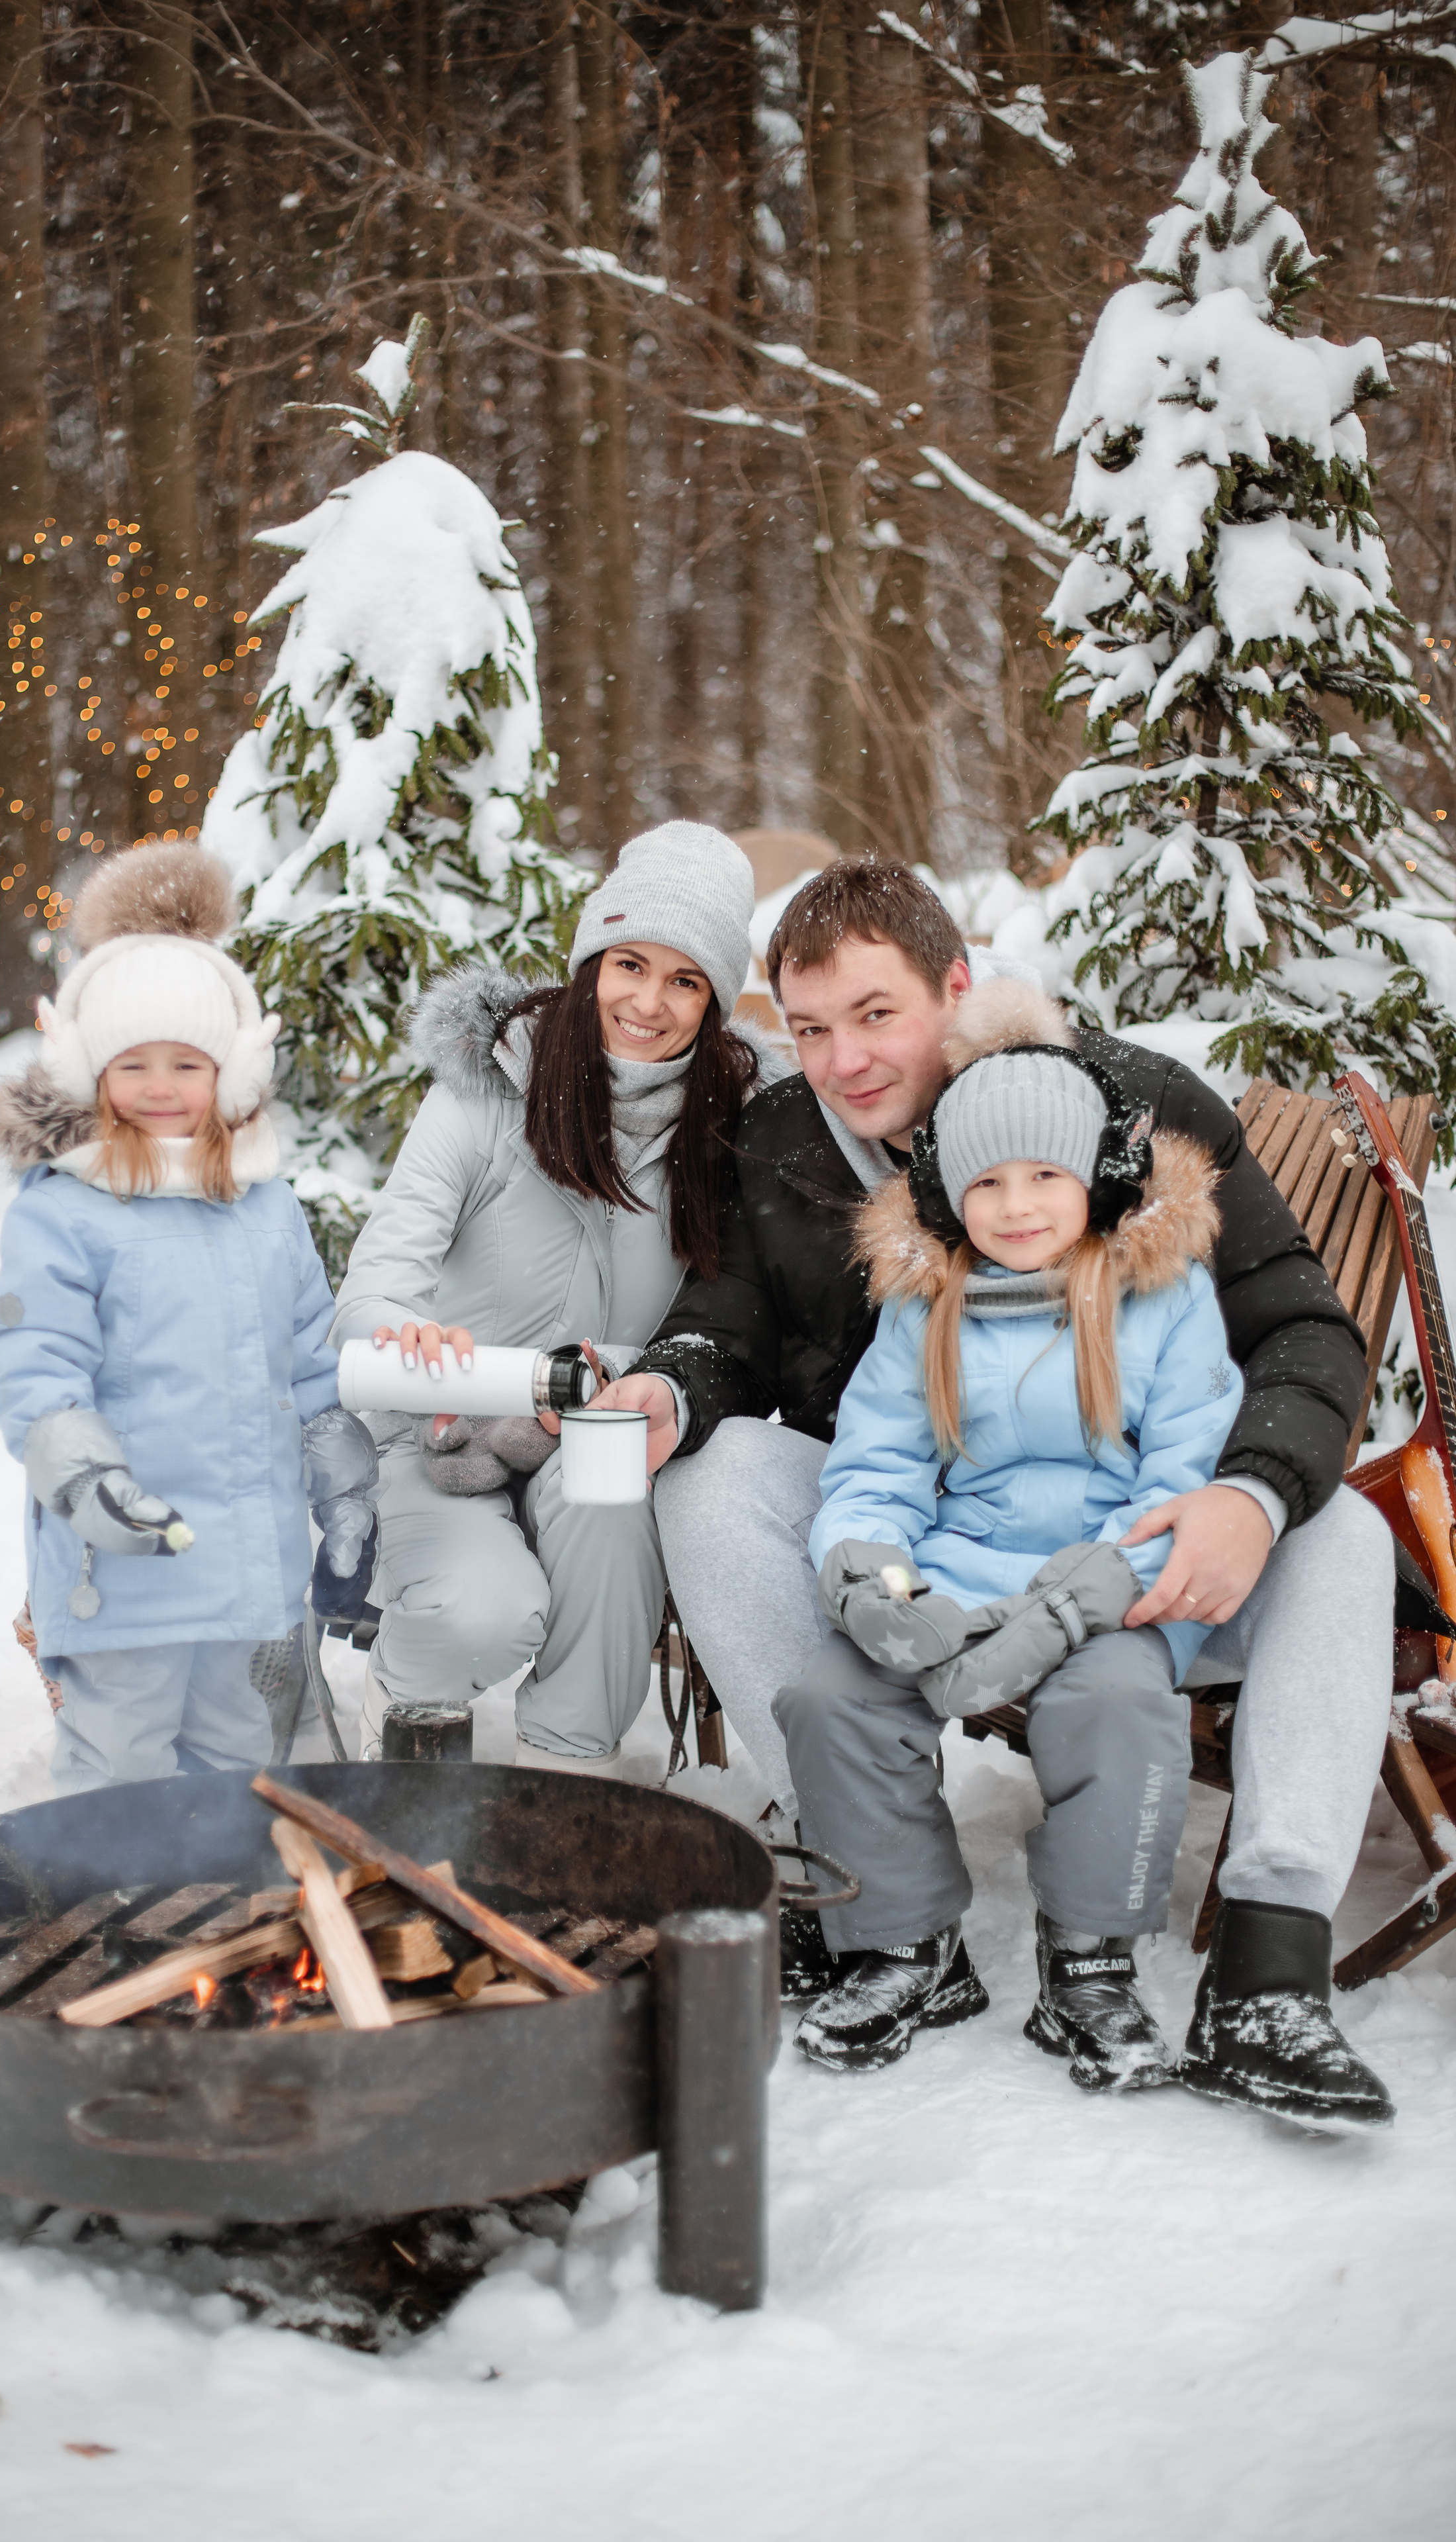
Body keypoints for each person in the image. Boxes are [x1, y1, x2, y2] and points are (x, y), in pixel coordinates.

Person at [594, 858, 1396, 2128]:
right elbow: (726, 1320)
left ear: (957, 988)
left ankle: (1269, 1969)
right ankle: (869, 1888)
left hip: (1149, 1554)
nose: (845, 1061)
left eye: (877, 1014)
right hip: (932, 1547)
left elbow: (1301, 1327)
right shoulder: (785, 1139)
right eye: (810, 1028)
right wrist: (674, 1382)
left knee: (1338, 1527)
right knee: (714, 1473)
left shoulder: (1135, 1111)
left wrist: (1247, 1494)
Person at [778, 977, 1243, 2089]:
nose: (1018, 1205)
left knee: (1117, 1706)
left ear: (1095, 1178)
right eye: (987, 1182)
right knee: (833, 1698)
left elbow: (1186, 1477)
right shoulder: (925, 1303)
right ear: (951, 1193)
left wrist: (1083, 1601)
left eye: (1045, 1176)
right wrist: (869, 1576)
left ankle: (1089, 1960)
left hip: (1115, 1579)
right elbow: (878, 1465)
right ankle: (905, 1944)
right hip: (962, 1568)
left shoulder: (1165, 1297)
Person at [326, 821, 775, 1767]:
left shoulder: (732, 1131)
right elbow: (374, 1290)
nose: (648, 1002)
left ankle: (569, 1781)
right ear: (591, 962)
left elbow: (732, 1321)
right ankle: (407, 1716)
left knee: (610, 1519)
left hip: (603, 1426)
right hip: (450, 1429)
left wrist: (613, 1378)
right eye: (629, 964)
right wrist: (411, 1342)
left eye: (686, 980)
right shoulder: (488, 1090)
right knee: (483, 1611)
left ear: (714, 1001)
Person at [0, 842, 377, 1791]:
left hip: (249, 1570)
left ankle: (224, 1889)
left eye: (187, 1063)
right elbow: (36, 1361)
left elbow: (309, 1361)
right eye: (134, 1064)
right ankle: (109, 1888)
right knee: (120, 1766)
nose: (161, 1086)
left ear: (229, 1073)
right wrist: (82, 1474)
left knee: (240, 1767)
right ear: (91, 1070)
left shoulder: (266, 1206)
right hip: (123, 1563)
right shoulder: (63, 1211)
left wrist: (343, 1475)